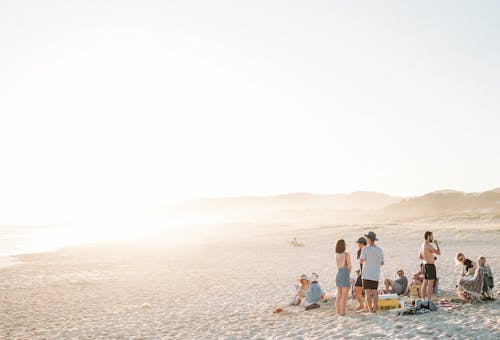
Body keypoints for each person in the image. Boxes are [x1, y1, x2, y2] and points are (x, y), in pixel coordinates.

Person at [360, 231, 384, 313]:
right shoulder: (379, 249)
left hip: (367, 274)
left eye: (367, 238)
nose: (366, 239)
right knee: (375, 291)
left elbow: (361, 261)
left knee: (368, 292)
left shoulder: (365, 249)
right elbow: (382, 263)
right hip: (375, 274)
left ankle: (370, 309)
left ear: (370, 239)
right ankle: (375, 308)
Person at [419, 231, 441, 302]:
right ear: (428, 236)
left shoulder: (422, 245)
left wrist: (429, 257)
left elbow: (420, 257)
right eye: (432, 236)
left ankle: (423, 299)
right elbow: (439, 252)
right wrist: (437, 244)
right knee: (430, 285)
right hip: (430, 266)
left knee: (425, 283)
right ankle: (428, 300)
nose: (432, 237)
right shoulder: (429, 246)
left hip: (425, 265)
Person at [334, 239, 352, 316]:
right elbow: (350, 266)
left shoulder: (336, 255)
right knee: (344, 297)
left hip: (338, 274)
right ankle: (343, 313)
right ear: (343, 245)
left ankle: (338, 312)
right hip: (344, 274)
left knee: (339, 296)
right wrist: (348, 274)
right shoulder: (346, 254)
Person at [353, 237, 367, 311]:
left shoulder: (368, 250)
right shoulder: (359, 251)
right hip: (362, 273)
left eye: (358, 243)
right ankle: (362, 305)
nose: (358, 245)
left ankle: (365, 305)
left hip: (367, 272)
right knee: (356, 289)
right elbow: (360, 263)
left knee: (368, 290)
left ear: (362, 243)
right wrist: (360, 271)